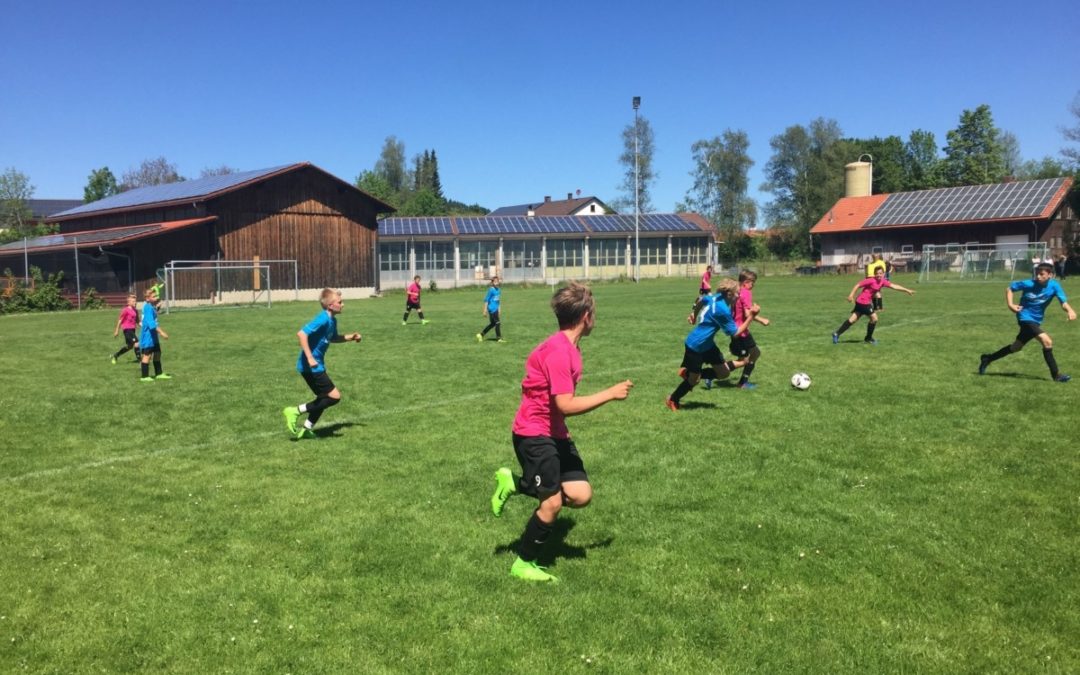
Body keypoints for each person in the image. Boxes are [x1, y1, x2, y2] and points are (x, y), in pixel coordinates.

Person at [489, 282, 633, 582]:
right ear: (586, 316)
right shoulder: (559, 352)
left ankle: (516, 484)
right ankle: (523, 563)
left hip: (556, 432)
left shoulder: (569, 346)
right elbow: (565, 404)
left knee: (581, 495)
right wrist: (609, 394)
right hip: (533, 433)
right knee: (552, 502)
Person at [283, 288, 362, 439]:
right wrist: (310, 358)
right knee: (334, 397)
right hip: (311, 366)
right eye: (340, 302)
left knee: (323, 398)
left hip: (314, 366)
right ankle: (295, 411)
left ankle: (306, 429)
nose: (343, 305)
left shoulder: (332, 320)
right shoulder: (323, 318)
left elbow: (333, 338)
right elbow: (302, 334)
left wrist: (350, 337)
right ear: (331, 306)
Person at [666, 278, 755, 410]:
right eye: (737, 293)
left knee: (724, 373)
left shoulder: (715, 297)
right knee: (693, 381)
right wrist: (751, 316)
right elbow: (735, 333)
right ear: (729, 294)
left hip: (708, 345)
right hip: (695, 346)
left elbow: (701, 300)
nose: (738, 295)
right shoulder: (723, 310)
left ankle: (688, 372)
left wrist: (694, 315)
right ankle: (673, 399)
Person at [978, 262, 1075, 382]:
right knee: (1047, 341)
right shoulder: (1028, 283)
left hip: (1036, 320)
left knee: (1016, 347)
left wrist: (1070, 311)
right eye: (1037, 274)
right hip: (1024, 318)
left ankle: (987, 359)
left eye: (1041, 274)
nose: (1038, 276)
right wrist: (1010, 305)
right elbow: (1009, 289)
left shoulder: (1055, 286)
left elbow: (1063, 302)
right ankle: (1056, 375)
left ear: (1050, 275)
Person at [832, 267, 914, 345]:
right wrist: (851, 295)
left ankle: (836, 334)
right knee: (874, 318)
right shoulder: (871, 280)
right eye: (877, 273)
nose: (879, 275)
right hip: (863, 302)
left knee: (852, 320)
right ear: (874, 274)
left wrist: (907, 290)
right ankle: (868, 338)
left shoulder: (882, 281)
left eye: (880, 273)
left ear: (883, 274)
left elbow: (894, 286)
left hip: (861, 302)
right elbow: (858, 285)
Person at [729, 270, 770, 390]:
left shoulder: (736, 291)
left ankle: (741, 382)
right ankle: (711, 374)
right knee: (751, 356)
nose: (753, 286)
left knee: (745, 358)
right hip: (742, 331)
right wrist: (762, 319)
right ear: (746, 282)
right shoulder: (746, 293)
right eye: (752, 283)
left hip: (734, 329)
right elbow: (748, 314)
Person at [138, 287, 170, 382]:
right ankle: (144, 376)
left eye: (156, 295)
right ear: (147, 298)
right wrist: (162, 333)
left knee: (157, 353)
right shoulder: (147, 308)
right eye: (154, 296)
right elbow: (151, 324)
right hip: (148, 336)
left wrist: (157, 307)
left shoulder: (151, 307)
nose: (156, 297)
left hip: (153, 336)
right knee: (147, 355)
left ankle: (159, 373)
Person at [110, 294, 141, 364]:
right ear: (128, 303)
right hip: (127, 330)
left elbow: (138, 321)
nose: (135, 303)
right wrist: (116, 330)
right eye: (133, 301)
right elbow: (120, 320)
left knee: (130, 346)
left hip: (132, 330)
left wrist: (145, 326)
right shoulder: (125, 310)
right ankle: (140, 360)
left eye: (135, 301)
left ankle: (116, 355)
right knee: (136, 343)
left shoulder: (135, 311)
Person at [476, 276, 504, 342]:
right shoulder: (491, 290)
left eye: (497, 281)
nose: (496, 282)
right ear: (492, 283)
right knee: (498, 323)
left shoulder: (498, 290)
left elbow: (498, 300)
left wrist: (499, 309)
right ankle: (499, 338)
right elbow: (486, 300)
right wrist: (485, 310)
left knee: (492, 324)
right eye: (495, 282)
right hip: (492, 309)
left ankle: (481, 335)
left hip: (496, 309)